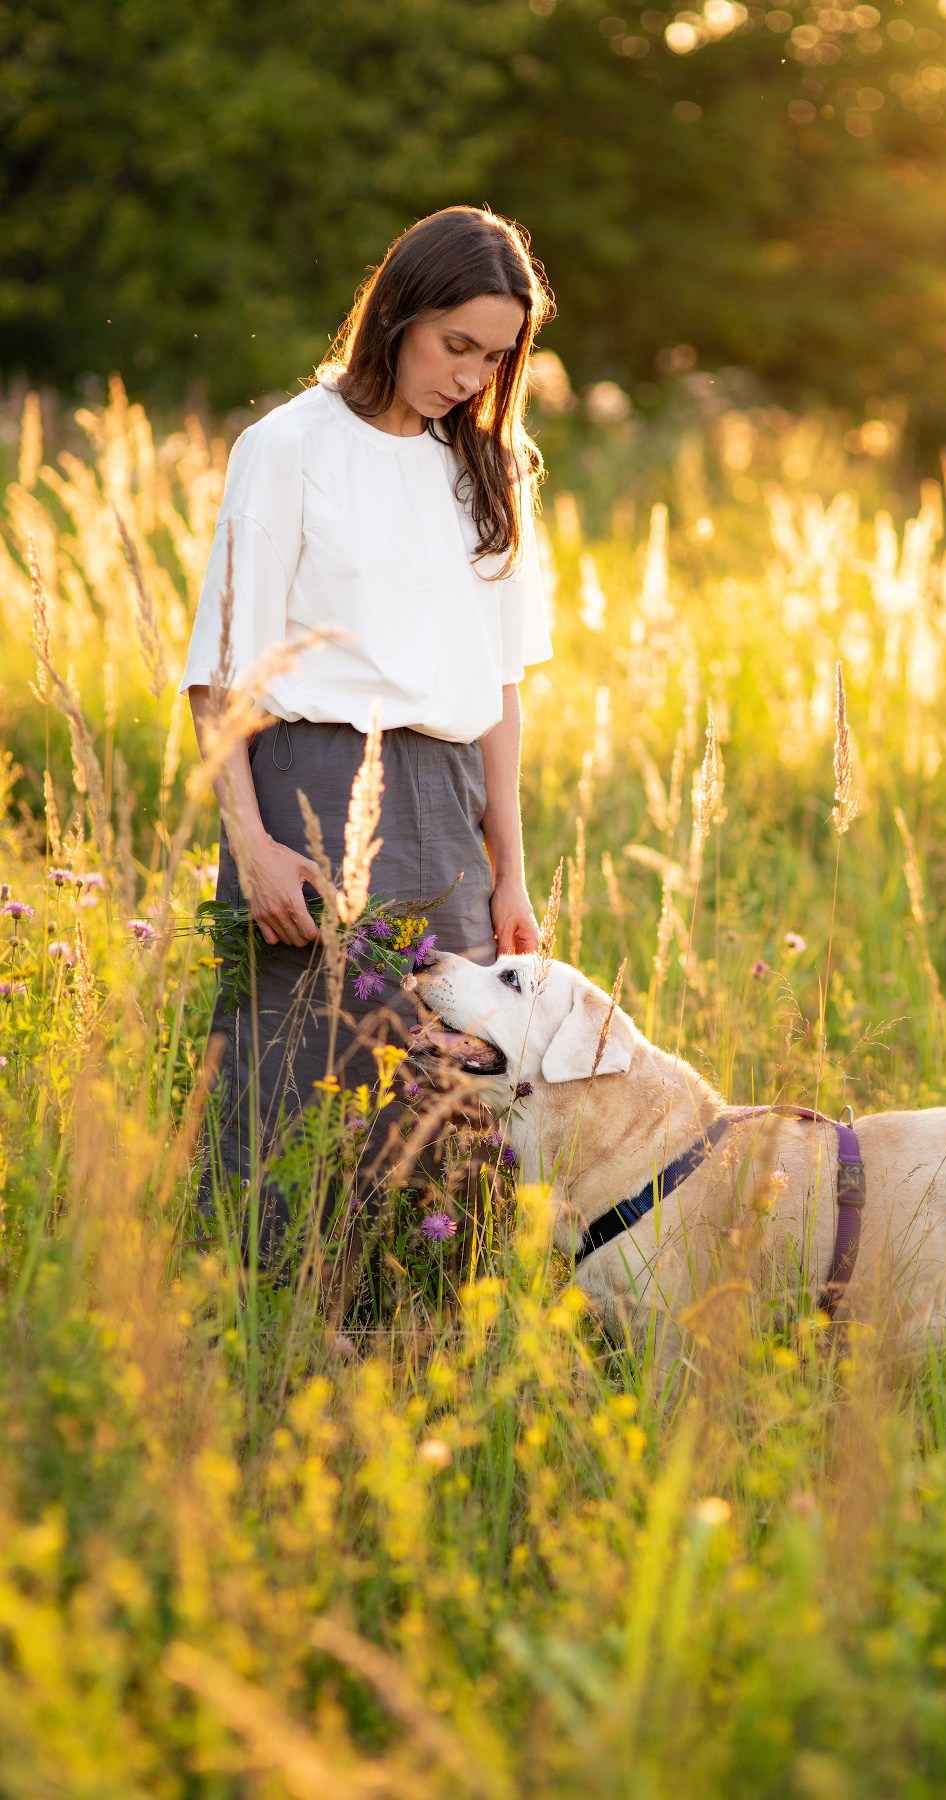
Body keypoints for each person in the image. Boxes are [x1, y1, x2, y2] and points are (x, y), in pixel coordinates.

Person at [181, 206, 554, 1233]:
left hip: (449, 811)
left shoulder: (490, 470)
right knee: (289, 1089)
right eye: (455, 344)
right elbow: (220, 678)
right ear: (397, 313)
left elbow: (500, 689)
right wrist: (252, 846)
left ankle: (412, 1310)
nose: (470, 376)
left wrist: (510, 871)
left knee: (446, 1101)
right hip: (309, 789)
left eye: (494, 357)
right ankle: (262, 1305)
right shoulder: (288, 446)